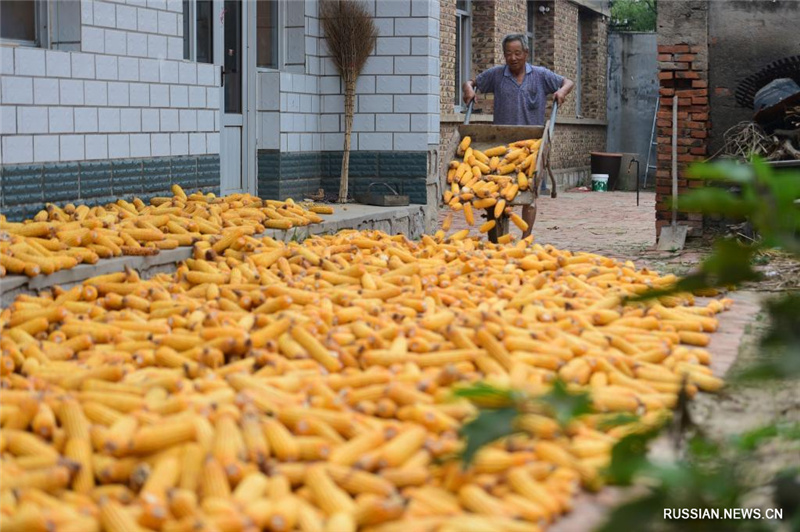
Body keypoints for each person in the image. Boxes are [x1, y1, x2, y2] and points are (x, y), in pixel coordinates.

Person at [462, 33, 574, 237]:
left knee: (529, 194)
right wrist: (469, 89)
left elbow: (568, 82)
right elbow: (471, 83)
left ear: (526, 53)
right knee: (496, 192)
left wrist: (562, 92)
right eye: (508, 54)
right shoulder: (497, 75)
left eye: (517, 53)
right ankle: (496, 235)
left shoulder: (540, 75)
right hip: (502, 145)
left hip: (532, 146)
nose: (512, 58)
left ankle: (525, 237)